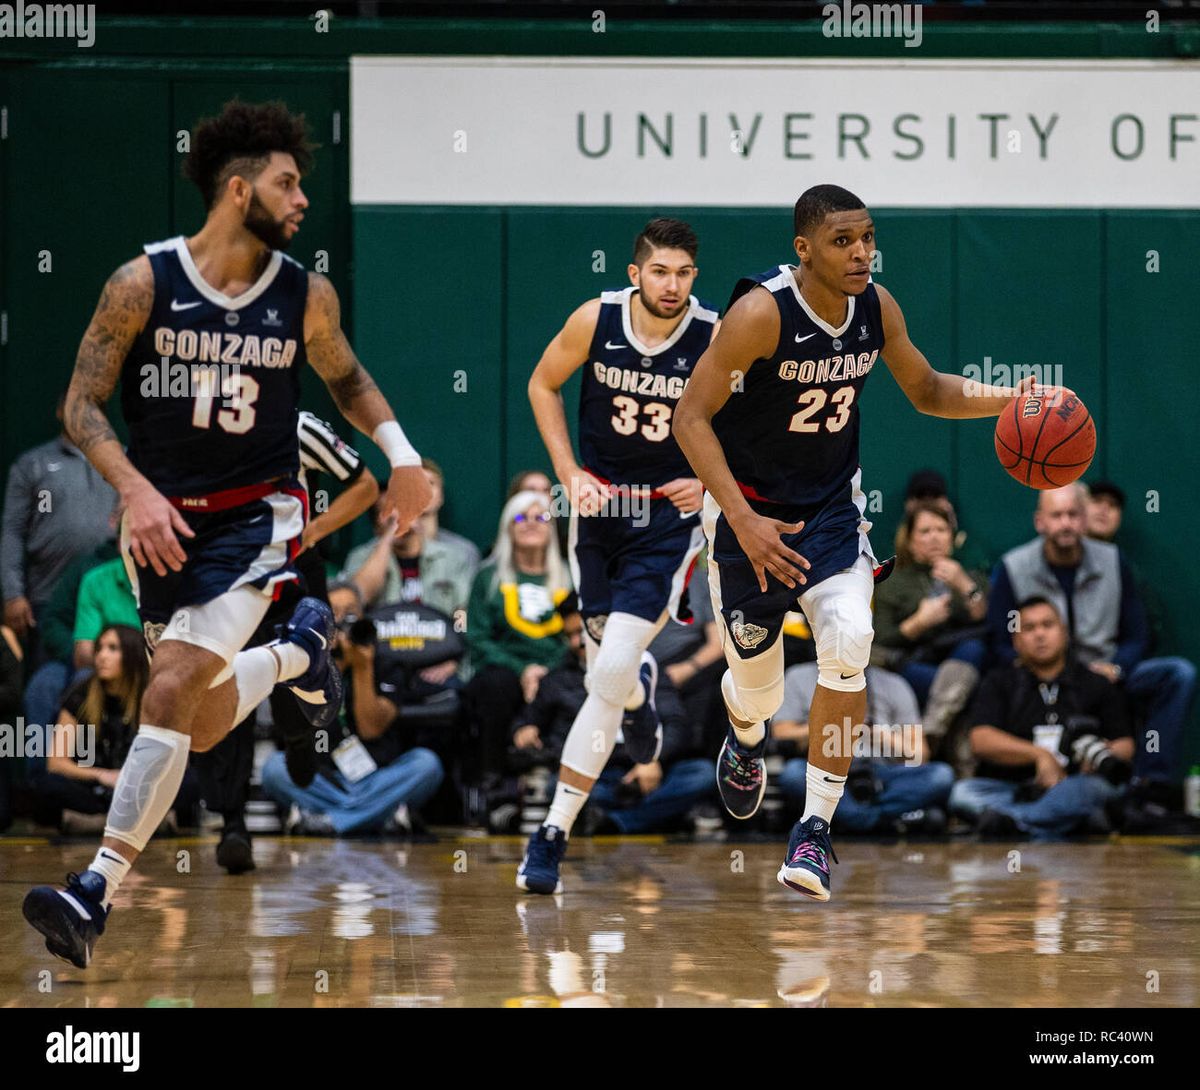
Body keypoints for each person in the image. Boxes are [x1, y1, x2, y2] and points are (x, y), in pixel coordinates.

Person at [23, 99, 431, 969]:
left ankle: (93, 893)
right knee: (201, 724)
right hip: (164, 525)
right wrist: (131, 490)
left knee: (167, 688)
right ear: (237, 188)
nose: (301, 201)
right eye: (287, 184)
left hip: (258, 519)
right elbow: (80, 403)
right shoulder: (143, 284)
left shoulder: (304, 294)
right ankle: (298, 656)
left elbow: (350, 381)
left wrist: (401, 454)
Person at [672, 183, 1036, 901]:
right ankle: (744, 739)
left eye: (868, 237)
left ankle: (813, 829)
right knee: (758, 690)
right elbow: (689, 418)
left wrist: (1009, 398)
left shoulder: (878, 304)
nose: (862, 252)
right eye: (843, 241)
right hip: (751, 518)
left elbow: (927, 389)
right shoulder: (759, 314)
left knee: (848, 641)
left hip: (833, 513)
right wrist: (741, 519)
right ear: (804, 249)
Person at [517, 217, 716, 895]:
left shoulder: (715, 334)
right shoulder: (595, 319)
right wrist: (567, 471)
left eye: (685, 272)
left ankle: (552, 832)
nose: (673, 284)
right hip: (598, 509)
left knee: (606, 668)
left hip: (667, 517)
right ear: (636, 273)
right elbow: (542, 385)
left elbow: (755, 422)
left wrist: (715, 478)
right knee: (608, 656)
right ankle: (640, 695)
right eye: (660, 271)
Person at [192, 408, 380, 875]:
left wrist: (312, 531)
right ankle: (233, 824)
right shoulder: (196, 428)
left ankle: (298, 737)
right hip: (228, 573)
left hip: (295, 571)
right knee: (225, 687)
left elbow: (366, 486)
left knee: (299, 676)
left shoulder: (298, 426)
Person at [987, 484, 1195, 800]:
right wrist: (1037, 668)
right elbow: (1000, 641)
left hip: (1105, 673)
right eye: (1057, 516)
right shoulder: (1014, 566)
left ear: (1085, 520)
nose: (1066, 523)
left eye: (1073, 515)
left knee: (1178, 673)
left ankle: (1149, 785)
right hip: (1041, 675)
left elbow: (1137, 634)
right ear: (1040, 521)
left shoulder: (1113, 560)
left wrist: (1117, 667)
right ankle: (1021, 786)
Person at [513, 593, 714, 834]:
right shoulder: (557, 679)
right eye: (570, 636)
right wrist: (523, 729)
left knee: (701, 774)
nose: (577, 642)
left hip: (648, 770)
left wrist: (652, 760)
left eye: (582, 633)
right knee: (558, 785)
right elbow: (527, 720)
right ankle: (640, 819)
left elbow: (677, 724)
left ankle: (613, 822)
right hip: (596, 775)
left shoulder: (647, 666)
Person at [260, 582, 444, 836]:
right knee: (274, 769)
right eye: (334, 612)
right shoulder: (303, 663)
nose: (342, 621)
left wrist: (362, 667)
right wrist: (330, 667)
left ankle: (330, 822)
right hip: (322, 779)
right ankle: (377, 816)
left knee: (426, 764)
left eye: (350, 612)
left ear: (362, 617)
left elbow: (371, 729)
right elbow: (307, 723)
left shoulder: (386, 663)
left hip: (378, 777)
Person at [951, 597, 1134, 839]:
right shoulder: (999, 682)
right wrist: (1039, 755)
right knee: (962, 794)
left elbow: (1125, 745)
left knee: (1096, 789)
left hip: (1073, 782)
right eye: (1029, 628)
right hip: (1014, 788)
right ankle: (1060, 820)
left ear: (1064, 633)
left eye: (1047, 625)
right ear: (1016, 640)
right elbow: (980, 740)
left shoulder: (1094, 683)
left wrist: (1100, 753)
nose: (1039, 635)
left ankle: (1016, 823)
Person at [32, 624, 200, 835]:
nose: (102, 656)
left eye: (112, 649)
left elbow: (176, 760)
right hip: (95, 789)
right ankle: (133, 825)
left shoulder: (154, 696)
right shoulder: (79, 694)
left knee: (191, 781)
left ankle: (95, 824)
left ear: (131, 655)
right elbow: (56, 762)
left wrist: (136, 778)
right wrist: (102, 775)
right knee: (47, 784)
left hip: (141, 789)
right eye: (99, 648)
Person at [460, 490, 572, 797]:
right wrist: (523, 669)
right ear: (508, 527)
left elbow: (579, 636)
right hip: (503, 670)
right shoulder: (488, 577)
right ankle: (492, 781)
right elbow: (477, 638)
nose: (531, 524)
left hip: (560, 669)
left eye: (541, 517)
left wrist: (546, 672)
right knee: (495, 685)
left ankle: (568, 786)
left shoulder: (570, 575)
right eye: (521, 518)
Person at [1, 396, 118, 664]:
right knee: (50, 683)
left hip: (109, 596)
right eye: (77, 405)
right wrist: (13, 594)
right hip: (47, 596)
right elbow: (12, 532)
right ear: (59, 410)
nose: (86, 415)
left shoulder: (121, 462)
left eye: (94, 408)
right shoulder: (33, 464)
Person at [774, 662, 953, 834]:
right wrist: (830, 724)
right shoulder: (799, 676)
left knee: (941, 775)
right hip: (824, 769)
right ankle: (882, 821)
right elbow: (781, 734)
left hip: (882, 772)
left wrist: (874, 732)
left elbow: (920, 755)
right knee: (793, 774)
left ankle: (846, 819)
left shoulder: (893, 683)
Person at [870, 500, 988, 750]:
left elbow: (986, 619)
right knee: (966, 690)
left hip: (957, 662)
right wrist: (918, 623)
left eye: (941, 530)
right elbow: (879, 639)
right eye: (925, 532)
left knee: (973, 649)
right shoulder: (893, 581)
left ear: (952, 537)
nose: (934, 538)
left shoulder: (969, 575)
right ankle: (936, 738)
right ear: (910, 541)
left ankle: (932, 731)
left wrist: (963, 584)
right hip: (912, 665)